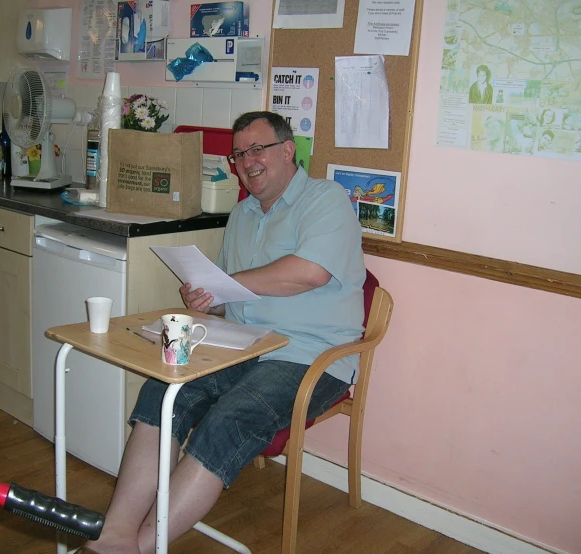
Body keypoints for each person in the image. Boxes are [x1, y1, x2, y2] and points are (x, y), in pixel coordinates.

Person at [78, 111, 366, 553]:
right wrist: (209, 299)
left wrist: (227, 285)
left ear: (287, 151)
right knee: (163, 389)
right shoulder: (243, 214)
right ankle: (114, 534)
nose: (246, 162)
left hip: (311, 357)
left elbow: (309, 273)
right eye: (238, 154)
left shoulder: (327, 199)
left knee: (229, 419)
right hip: (243, 346)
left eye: (257, 149)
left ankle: (141, 547)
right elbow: (237, 292)